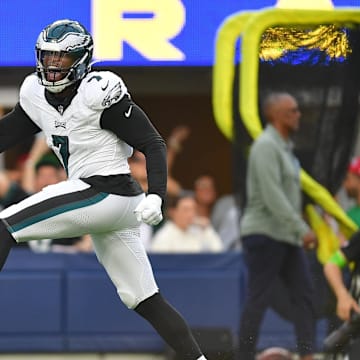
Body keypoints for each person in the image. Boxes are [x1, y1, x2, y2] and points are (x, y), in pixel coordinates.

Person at [0, 19, 208, 360]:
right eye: (48, 57)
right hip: (109, 206)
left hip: (105, 191)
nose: (53, 66)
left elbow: (152, 143)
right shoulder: (35, 94)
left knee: (5, 225)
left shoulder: (98, 91)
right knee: (143, 298)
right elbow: (6, 135)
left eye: (62, 59)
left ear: (82, 60)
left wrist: (157, 193)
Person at [237, 92, 317, 360]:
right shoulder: (265, 146)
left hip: (285, 234)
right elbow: (272, 196)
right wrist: (301, 228)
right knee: (258, 298)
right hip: (264, 233)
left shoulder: (284, 147)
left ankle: (307, 354)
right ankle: (245, 355)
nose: (298, 115)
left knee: (304, 294)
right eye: (291, 111)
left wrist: (297, 227)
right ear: (274, 115)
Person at [150, 193, 223, 253]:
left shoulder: (198, 231)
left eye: (193, 209)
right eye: (186, 210)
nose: (191, 214)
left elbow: (218, 252)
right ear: (172, 212)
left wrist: (207, 229)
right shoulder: (164, 236)